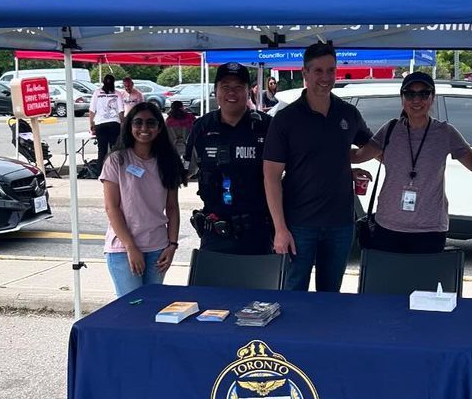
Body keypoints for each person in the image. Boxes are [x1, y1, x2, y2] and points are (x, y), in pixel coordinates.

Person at [264, 42, 373, 291]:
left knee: (330, 296)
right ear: (305, 73)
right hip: (299, 224)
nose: (326, 78)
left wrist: (348, 164)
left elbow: (368, 148)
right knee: (294, 295)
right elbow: (270, 177)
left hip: (341, 224)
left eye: (331, 71)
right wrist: (280, 229)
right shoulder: (286, 119)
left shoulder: (347, 113)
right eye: (318, 71)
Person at [350, 72, 472, 253]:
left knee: (422, 281)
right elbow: (360, 155)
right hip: (388, 226)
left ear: (432, 98)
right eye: (410, 94)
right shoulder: (390, 129)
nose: (416, 100)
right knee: (388, 281)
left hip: (429, 229)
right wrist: (323, 154)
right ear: (402, 98)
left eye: (423, 94)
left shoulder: (445, 133)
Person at [185, 63, 273, 255]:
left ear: (249, 91)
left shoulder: (265, 127)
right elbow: (184, 171)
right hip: (215, 232)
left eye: (238, 87)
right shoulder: (202, 127)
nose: (232, 93)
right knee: (211, 285)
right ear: (215, 90)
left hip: (258, 232)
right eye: (225, 87)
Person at [100, 102, 184, 296]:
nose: (144, 128)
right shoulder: (117, 160)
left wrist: (172, 245)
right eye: (138, 123)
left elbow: (172, 207)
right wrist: (130, 247)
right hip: (123, 249)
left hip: (158, 248)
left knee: (152, 307)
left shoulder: (168, 161)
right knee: (132, 308)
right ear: (129, 126)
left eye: (150, 123)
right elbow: (111, 207)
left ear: (159, 127)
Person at [88, 74, 123, 169]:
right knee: (115, 149)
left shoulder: (97, 93)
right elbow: (121, 111)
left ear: (103, 82)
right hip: (114, 123)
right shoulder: (117, 93)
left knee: (102, 150)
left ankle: (100, 171)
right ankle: (115, 170)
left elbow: (91, 110)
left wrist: (91, 124)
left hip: (100, 124)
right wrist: (123, 124)